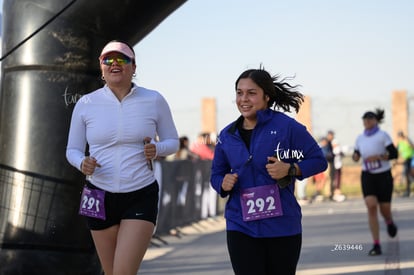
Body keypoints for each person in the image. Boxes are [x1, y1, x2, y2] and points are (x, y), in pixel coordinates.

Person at [66, 40, 179, 275]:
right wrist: (82, 162)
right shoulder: (86, 103)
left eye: (122, 59)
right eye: (108, 59)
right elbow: (72, 150)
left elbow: (173, 142)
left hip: (140, 193)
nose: (114, 64)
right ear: (101, 67)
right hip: (98, 194)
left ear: (134, 66)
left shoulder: (154, 99)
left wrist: (157, 149)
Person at [210, 67, 328, 275]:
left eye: (251, 93)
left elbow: (318, 161)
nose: (243, 99)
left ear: (266, 96)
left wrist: (291, 168)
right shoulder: (227, 135)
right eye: (239, 93)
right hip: (241, 226)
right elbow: (216, 174)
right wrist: (222, 182)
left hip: (283, 226)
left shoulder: (287, 127)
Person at [352, 108, 398, 256]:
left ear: (375, 121)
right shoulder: (360, 138)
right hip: (368, 176)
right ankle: (376, 244)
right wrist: (355, 157)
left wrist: (379, 157)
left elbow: (394, 153)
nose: (366, 122)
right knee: (371, 206)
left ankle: (389, 221)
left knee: (384, 210)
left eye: (369, 119)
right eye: (364, 120)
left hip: (383, 175)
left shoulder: (383, 135)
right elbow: (356, 154)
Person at [396, 131, 414, 197]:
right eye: (399, 137)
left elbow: (413, 147)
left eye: (401, 136)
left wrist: (409, 143)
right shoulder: (399, 144)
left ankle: (408, 189)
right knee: (406, 174)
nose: (400, 138)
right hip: (406, 160)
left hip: (412, 158)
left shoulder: (407, 140)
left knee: (410, 173)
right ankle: (407, 191)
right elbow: (397, 153)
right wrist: (395, 161)